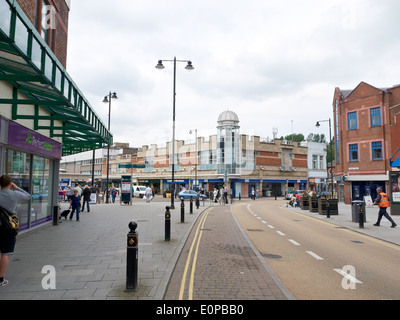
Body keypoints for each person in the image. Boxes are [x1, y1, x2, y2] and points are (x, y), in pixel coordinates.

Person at [0, 174, 31, 287]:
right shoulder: (14, 194)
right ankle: (1, 279)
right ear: (10, 183)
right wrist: (16, 187)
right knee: (5, 253)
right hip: (8, 227)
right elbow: (28, 196)